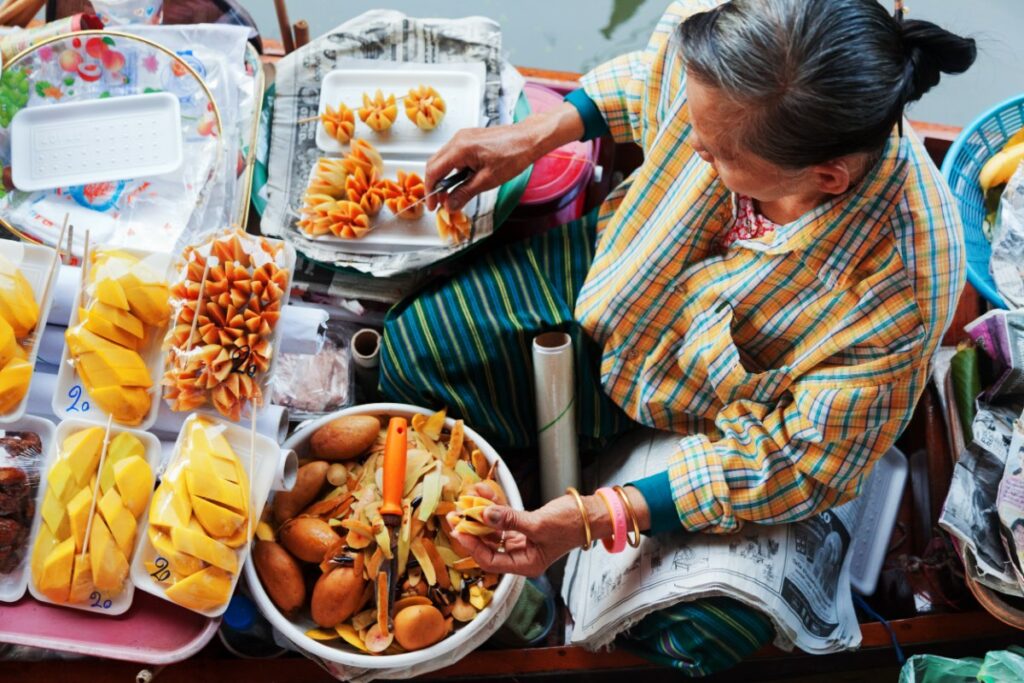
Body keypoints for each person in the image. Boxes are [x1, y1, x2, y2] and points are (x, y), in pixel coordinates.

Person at [380, 0, 976, 674]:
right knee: (410, 355)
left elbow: (795, 460)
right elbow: (647, 81)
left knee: (702, 633)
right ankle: (565, 456)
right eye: (693, 124)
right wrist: (535, 135)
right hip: (627, 270)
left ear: (825, 179)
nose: (690, 145)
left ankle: (594, 481)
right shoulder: (740, 24)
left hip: (705, 414)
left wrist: (600, 515)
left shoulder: (903, 282)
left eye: (718, 153)